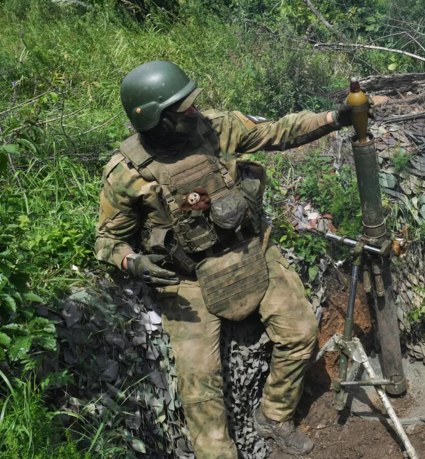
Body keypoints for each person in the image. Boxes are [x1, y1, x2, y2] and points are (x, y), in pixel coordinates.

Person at [94, 60, 360, 458]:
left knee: (302, 331)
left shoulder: (218, 127)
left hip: (252, 248)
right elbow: (106, 241)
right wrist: (135, 263)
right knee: (200, 385)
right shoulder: (126, 173)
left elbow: (278, 131)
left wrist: (335, 116)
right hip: (188, 280)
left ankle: (273, 416)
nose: (195, 111)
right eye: (183, 108)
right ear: (157, 120)